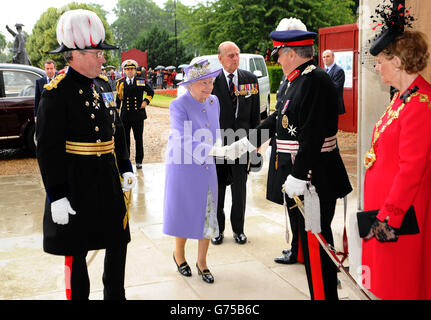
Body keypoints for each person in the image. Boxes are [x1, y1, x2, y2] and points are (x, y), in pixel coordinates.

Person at [224, 17, 352, 300]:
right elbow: (278, 118)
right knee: (310, 241)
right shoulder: (296, 80)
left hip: (314, 177)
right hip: (303, 175)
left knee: (317, 241)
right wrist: (247, 142)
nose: (277, 60)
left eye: (279, 54)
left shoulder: (315, 81)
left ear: (292, 53)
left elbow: (313, 135)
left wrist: (298, 174)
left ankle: (325, 295)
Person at [36, 9, 137, 300]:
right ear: (76, 54)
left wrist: (126, 166)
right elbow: (47, 148)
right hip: (76, 185)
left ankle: (115, 296)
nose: (103, 58)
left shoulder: (100, 86)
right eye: (98, 53)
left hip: (106, 180)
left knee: (118, 243)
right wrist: (57, 195)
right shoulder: (56, 93)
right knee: (77, 255)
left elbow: (114, 129)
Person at [361, 1, 431, 299]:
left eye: (381, 61)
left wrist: (388, 217)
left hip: (401, 215)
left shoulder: (420, 105)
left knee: (399, 284)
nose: (377, 68)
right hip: (385, 208)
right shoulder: (402, 97)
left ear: (399, 61)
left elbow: (411, 169)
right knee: (385, 281)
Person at [163, 59, 225, 284]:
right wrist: (211, 149)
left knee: (209, 213)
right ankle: (179, 255)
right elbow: (181, 137)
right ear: (190, 85)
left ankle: (202, 262)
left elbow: (215, 130)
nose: (208, 88)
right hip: (184, 167)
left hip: (208, 166)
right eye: (203, 83)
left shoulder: (214, 101)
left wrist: (223, 147)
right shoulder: (178, 105)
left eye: (210, 82)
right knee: (185, 211)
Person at [211, 41, 261, 245]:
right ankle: (218, 230)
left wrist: (257, 143)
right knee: (219, 189)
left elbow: (256, 114)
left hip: (242, 143)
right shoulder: (212, 81)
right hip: (220, 144)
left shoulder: (250, 80)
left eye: (237, 54)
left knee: (239, 189)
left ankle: (239, 229)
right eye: (230, 55)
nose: (235, 58)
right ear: (220, 58)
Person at [115, 59, 154, 169]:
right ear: (124, 71)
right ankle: (125, 160)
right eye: (127, 69)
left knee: (138, 139)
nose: (130, 71)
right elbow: (118, 99)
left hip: (138, 115)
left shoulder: (140, 81)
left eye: (131, 69)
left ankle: (139, 161)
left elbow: (151, 92)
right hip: (125, 116)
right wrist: (116, 114)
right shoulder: (120, 82)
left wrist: (146, 101)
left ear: (135, 70)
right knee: (125, 139)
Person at [322, 49, 346, 115]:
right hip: (324, 105)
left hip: (333, 105)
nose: (325, 59)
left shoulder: (339, 70)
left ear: (333, 57)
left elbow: (335, 88)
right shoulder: (323, 71)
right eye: (324, 57)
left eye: (327, 56)